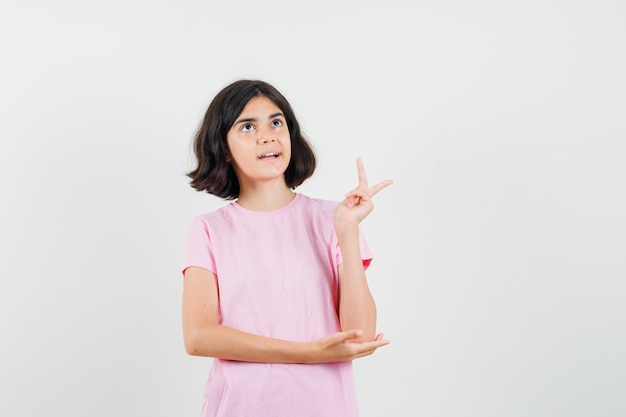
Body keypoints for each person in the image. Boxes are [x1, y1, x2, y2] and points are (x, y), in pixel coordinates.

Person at [181, 79, 392, 417]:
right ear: (222, 147)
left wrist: (348, 232)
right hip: (240, 407)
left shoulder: (334, 219)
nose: (267, 136)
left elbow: (360, 335)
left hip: (325, 407)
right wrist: (306, 353)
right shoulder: (208, 229)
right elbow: (198, 337)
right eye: (247, 126)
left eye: (276, 122)